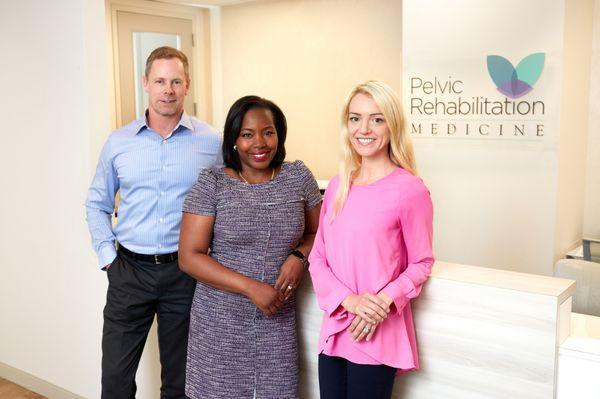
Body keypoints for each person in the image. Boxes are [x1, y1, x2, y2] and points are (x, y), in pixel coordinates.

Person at [85, 46, 222, 399]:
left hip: (186, 274)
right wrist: (109, 259)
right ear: (146, 83)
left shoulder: (211, 142)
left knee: (180, 382)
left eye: (176, 81)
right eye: (160, 81)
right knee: (115, 381)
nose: (168, 90)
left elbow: (228, 202)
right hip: (128, 271)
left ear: (187, 86)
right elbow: (96, 204)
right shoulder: (119, 143)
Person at [178, 95, 322, 399]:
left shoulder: (297, 177)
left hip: (277, 321)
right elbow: (189, 257)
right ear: (233, 139)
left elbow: (318, 232)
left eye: (268, 132)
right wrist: (250, 287)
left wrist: (299, 257)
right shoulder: (213, 183)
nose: (260, 143)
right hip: (220, 323)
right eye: (247, 134)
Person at [308, 81, 434, 399]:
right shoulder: (338, 186)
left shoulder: (410, 189)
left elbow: (422, 262)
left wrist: (382, 302)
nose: (364, 128)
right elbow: (317, 257)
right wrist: (348, 301)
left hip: (375, 330)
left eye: (376, 119)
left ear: (392, 125)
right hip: (337, 326)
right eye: (355, 118)